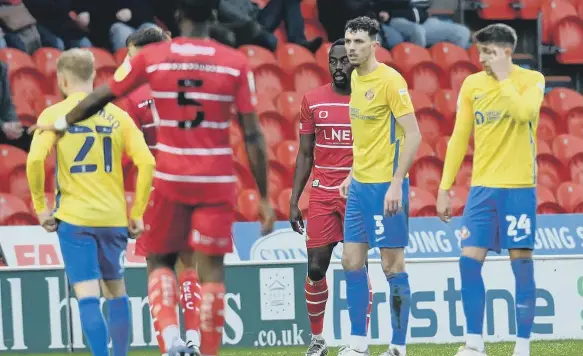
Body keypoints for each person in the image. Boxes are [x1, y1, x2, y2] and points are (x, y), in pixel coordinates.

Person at [29, 0, 276, 355]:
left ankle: (172, 343)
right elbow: (253, 134)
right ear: (217, 15)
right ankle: (202, 348)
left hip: (169, 179)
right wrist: (264, 196)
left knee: (160, 261)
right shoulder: (235, 62)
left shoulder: (152, 61)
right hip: (216, 179)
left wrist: (64, 122)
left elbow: (102, 96)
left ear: (177, 16)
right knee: (209, 273)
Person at [26, 48, 155, 356]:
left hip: (75, 219)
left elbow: (34, 160)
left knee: (87, 294)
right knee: (116, 291)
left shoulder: (54, 115)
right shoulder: (119, 115)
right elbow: (147, 162)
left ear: (62, 79)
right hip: (112, 219)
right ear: (94, 77)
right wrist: (136, 212)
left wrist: (40, 207)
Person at [436, 24, 544, 356]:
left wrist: (503, 79)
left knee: (521, 263)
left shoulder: (532, 80)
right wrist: (444, 186)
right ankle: (474, 344)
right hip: (482, 189)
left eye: (488, 52)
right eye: (480, 51)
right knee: (468, 262)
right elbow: (458, 137)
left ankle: (522, 346)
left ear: (506, 53)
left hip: (518, 187)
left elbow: (523, 113)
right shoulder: (472, 84)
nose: (481, 58)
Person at [338, 16, 421, 356]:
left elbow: (414, 135)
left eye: (358, 42)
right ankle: (358, 344)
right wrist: (350, 174)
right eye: (348, 41)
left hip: (386, 187)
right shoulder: (356, 79)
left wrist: (395, 184)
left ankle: (398, 346)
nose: (351, 48)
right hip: (359, 185)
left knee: (392, 267)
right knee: (351, 262)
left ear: (374, 44)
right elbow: (365, 138)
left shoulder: (390, 81)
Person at [116, 26, 202, 355]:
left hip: (155, 190)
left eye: (130, 53)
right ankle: (194, 340)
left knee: (158, 265)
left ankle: (170, 344)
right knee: (189, 265)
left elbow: (129, 155)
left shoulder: (131, 96)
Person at [289, 38, 360, 356]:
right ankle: (318, 340)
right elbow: (305, 154)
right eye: (333, 61)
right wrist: (294, 200)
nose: (338, 66)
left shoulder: (367, 100)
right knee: (316, 269)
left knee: (357, 267)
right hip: (321, 196)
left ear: (355, 62)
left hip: (358, 194)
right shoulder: (312, 100)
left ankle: (358, 343)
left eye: (344, 60)